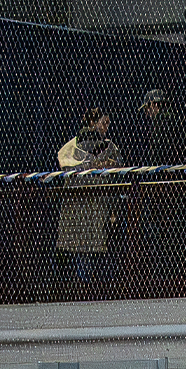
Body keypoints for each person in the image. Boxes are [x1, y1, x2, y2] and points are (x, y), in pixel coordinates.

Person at [55, 109, 122, 277]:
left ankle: (92, 286)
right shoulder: (73, 147)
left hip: (91, 205)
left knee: (91, 249)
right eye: (104, 123)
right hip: (85, 205)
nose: (107, 127)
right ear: (93, 123)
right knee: (87, 249)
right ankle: (89, 286)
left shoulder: (107, 146)